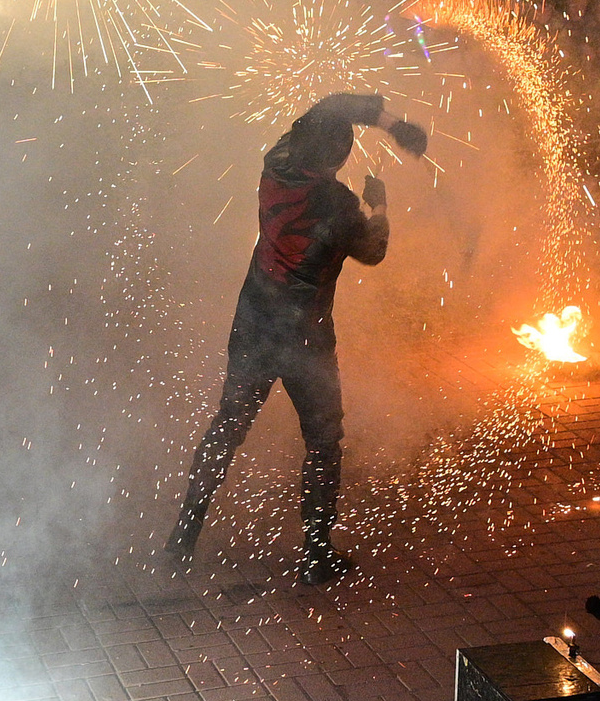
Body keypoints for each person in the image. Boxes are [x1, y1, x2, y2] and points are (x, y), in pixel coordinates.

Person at [165, 94, 427, 586]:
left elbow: (330, 106)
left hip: (254, 322)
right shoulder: (340, 206)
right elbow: (374, 251)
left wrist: (391, 123)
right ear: (338, 159)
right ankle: (316, 553)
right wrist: (382, 204)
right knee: (324, 440)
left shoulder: (278, 162)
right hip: (306, 338)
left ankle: (182, 537)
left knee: (228, 427)